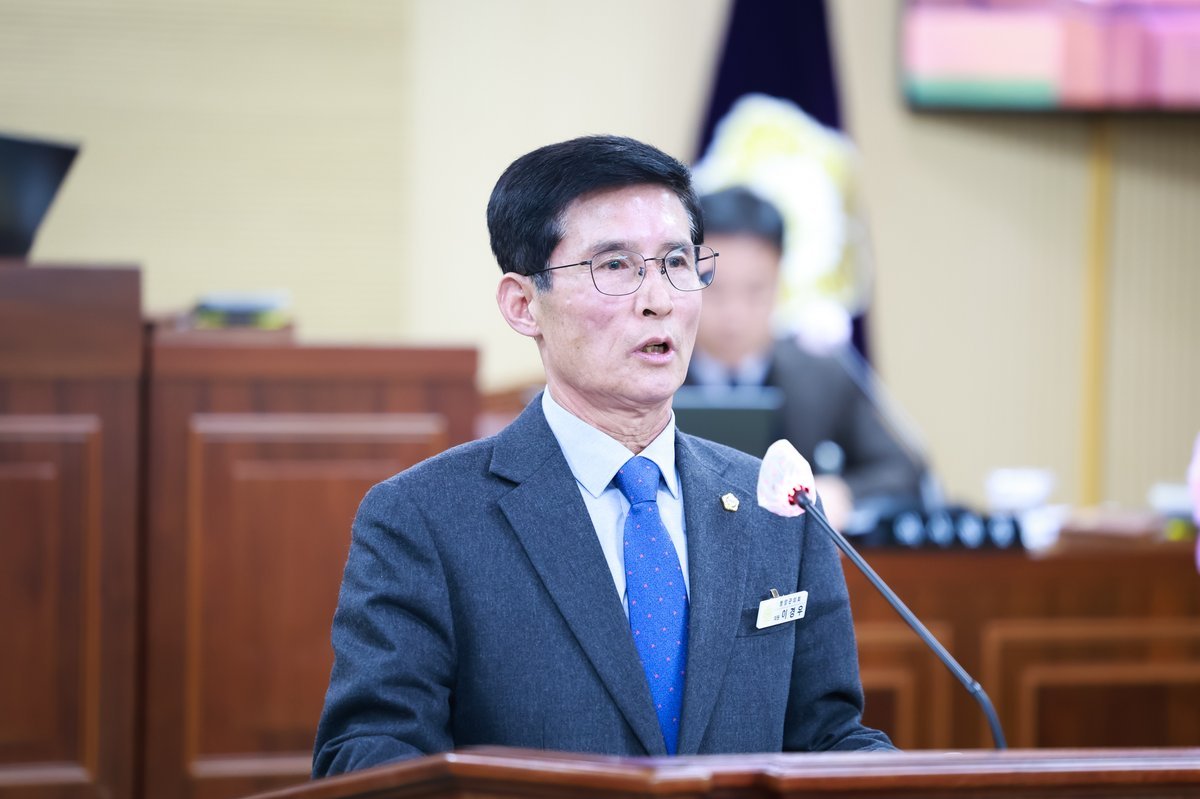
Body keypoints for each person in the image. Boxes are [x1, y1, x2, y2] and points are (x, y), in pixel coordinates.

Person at [311, 136, 894, 777]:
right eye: (615, 266)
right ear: (523, 305)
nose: (659, 298)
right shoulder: (422, 519)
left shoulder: (778, 508)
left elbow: (829, 742)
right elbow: (370, 760)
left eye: (677, 262)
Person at [685, 186, 927, 530]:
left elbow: (903, 470)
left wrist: (843, 492)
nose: (734, 313)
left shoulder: (822, 375)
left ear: (779, 279)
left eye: (755, 290)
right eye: (714, 287)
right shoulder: (656, 372)